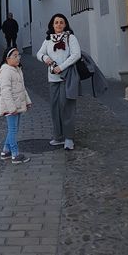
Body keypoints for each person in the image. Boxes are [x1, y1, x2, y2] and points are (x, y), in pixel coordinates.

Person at [36, 13, 81, 151]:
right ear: (52, 25)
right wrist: (45, 58)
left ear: (65, 24)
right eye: (56, 22)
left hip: (67, 77)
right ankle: (58, 136)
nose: (59, 25)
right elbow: (39, 53)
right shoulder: (48, 40)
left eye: (61, 22)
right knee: (55, 108)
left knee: (66, 106)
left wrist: (61, 67)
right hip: (53, 79)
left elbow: (76, 55)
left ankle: (68, 138)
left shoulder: (70, 38)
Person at [0, 47, 32, 164]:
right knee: (13, 130)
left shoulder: (16, 69)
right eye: (15, 56)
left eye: (18, 56)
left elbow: (22, 88)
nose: (17, 58)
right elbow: (5, 91)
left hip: (17, 105)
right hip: (10, 107)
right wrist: (12, 108)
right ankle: (15, 155)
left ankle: (6, 151)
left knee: (13, 129)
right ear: (7, 58)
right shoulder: (6, 71)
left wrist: (27, 101)